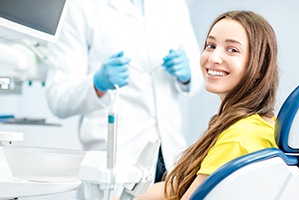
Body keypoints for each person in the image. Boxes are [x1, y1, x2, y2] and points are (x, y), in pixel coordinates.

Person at [44, 0, 203, 183]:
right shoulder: (79, 7)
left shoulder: (174, 5)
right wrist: (97, 84)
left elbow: (197, 76)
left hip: (170, 154)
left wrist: (187, 75)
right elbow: (58, 97)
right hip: (116, 156)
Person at [133, 10, 280, 199]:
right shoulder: (259, 124)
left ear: (259, 66)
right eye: (211, 45)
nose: (213, 58)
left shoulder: (238, 138)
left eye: (232, 50)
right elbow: (180, 186)